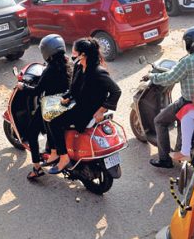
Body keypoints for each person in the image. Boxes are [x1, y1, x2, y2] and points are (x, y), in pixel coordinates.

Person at [148, 26, 194, 168]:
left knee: (159, 121)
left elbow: (169, 78)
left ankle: (164, 159)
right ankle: (181, 148)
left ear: (192, 43)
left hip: (187, 102)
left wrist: (152, 76)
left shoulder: (188, 61)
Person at [46, 38, 122, 174]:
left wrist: (101, 110)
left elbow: (116, 91)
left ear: (83, 54)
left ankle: (63, 157)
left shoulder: (98, 72)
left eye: (75, 51)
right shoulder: (79, 66)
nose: (72, 53)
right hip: (78, 104)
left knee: (53, 120)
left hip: (87, 111)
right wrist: (66, 97)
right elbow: (73, 89)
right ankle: (54, 151)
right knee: (49, 109)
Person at [16, 34, 72, 180]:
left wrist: (23, 86)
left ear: (46, 52)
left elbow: (36, 91)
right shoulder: (68, 64)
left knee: (31, 133)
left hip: (51, 106)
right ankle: (52, 151)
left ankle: (36, 168)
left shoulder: (50, 70)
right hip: (67, 104)